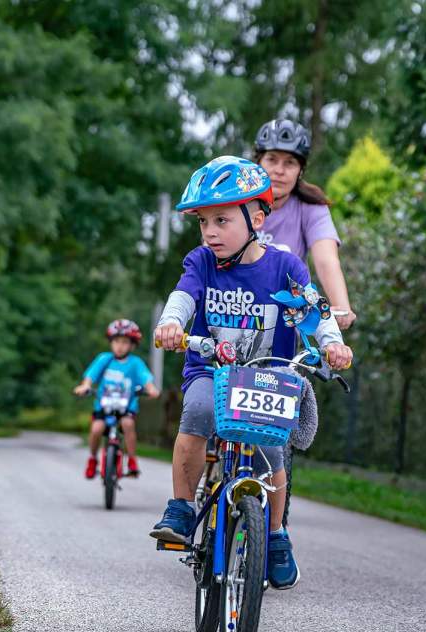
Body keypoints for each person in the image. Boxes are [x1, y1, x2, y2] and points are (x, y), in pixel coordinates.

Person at [150, 156, 352, 589]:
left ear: (257, 218)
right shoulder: (202, 262)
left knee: (272, 453)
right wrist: (171, 323)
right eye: (203, 222)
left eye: (222, 220)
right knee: (197, 414)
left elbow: (313, 313)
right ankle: (182, 508)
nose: (210, 232)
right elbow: (184, 296)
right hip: (211, 370)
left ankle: (275, 536)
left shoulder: (284, 268)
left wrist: (332, 345)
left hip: (267, 377)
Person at [254, 119, 357, 331]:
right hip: (234, 312)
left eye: (290, 163)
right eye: (272, 159)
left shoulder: (311, 207)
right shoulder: (236, 203)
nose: (279, 170)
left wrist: (341, 305)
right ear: (258, 162)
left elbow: (327, 260)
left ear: (300, 170)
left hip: (287, 321)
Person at [73, 319, 160, 479]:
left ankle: (132, 460)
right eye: (116, 341)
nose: (120, 346)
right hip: (103, 407)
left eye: (125, 342)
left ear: (132, 345)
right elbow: (91, 376)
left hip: (126, 408)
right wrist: (85, 386)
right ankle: (92, 459)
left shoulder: (135, 363)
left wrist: (151, 389)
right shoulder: (104, 359)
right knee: (96, 429)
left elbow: (145, 379)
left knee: (128, 424)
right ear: (111, 342)